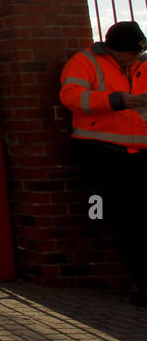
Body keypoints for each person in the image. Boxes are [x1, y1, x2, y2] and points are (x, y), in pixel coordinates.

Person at [59, 20, 147, 305]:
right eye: (131, 53)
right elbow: (71, 97)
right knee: (125, 220)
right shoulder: (84, 62)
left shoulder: (142, 63)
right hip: (102, 151)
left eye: (139, 52)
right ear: (113, 50)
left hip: (141, 150)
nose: (136, 57)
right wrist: (118, 100)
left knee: (132, 220)